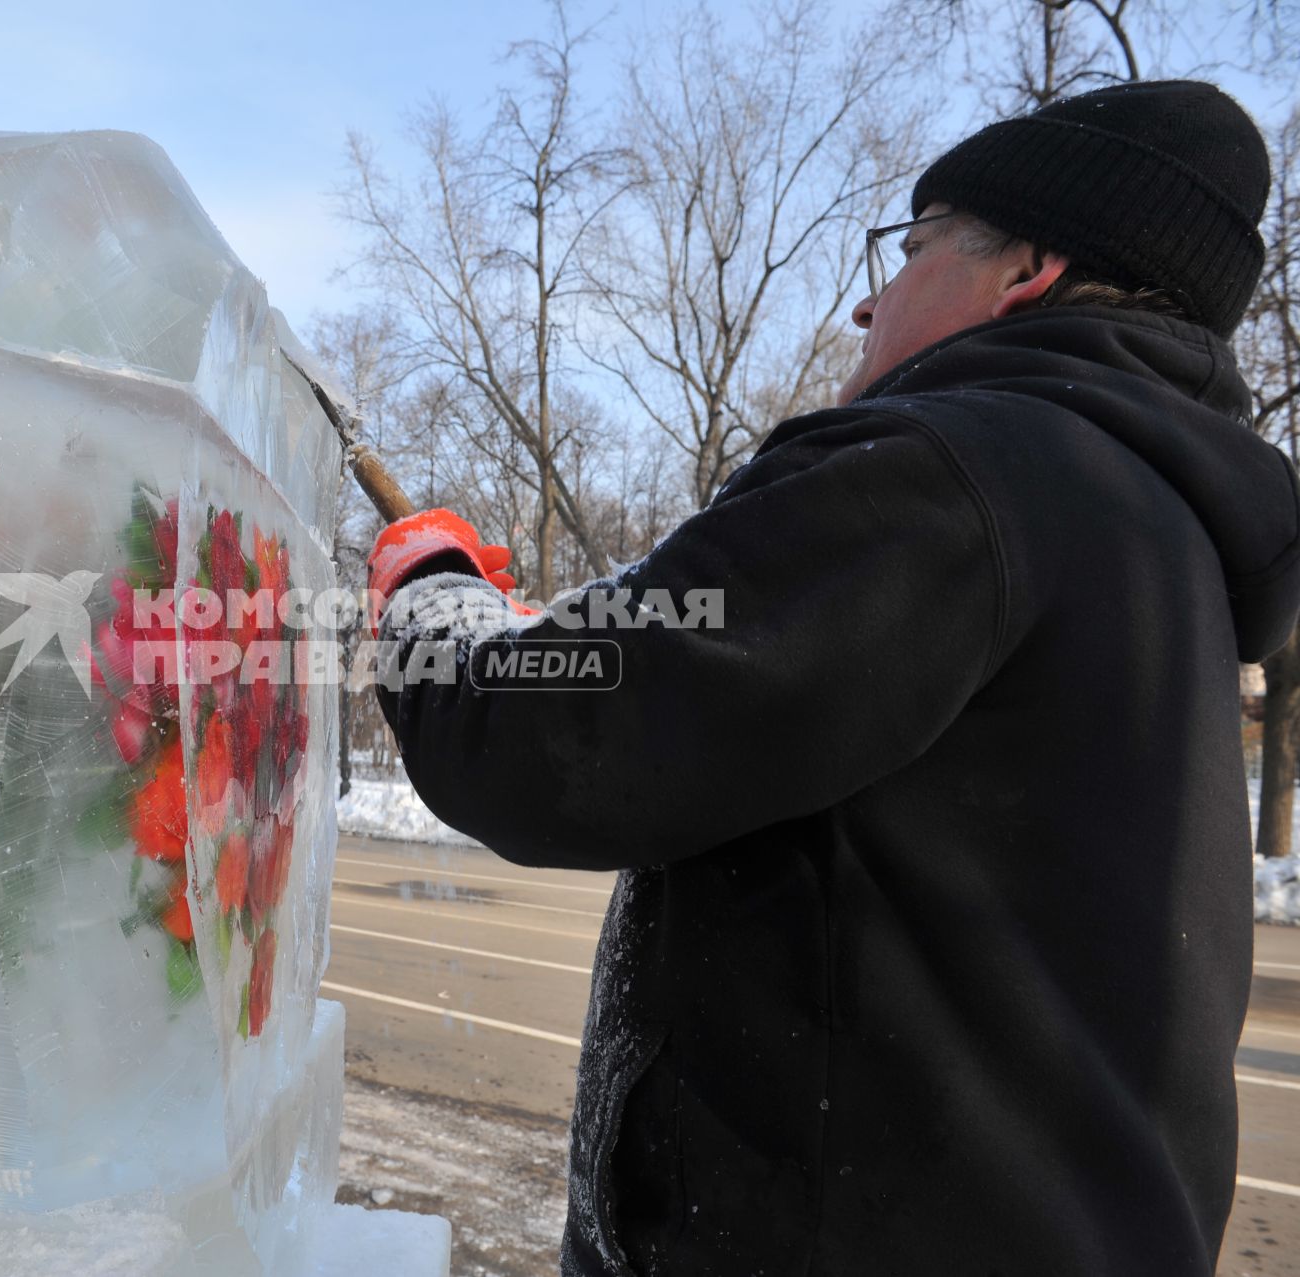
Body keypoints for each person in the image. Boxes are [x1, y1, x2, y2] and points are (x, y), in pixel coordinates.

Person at [370, 81, 1293, 1276]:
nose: (869, 294)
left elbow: (543, 730)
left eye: (910, 249)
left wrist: (432, 595)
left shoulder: (951, 475)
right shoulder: (1147, 530)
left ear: (1027, 269)